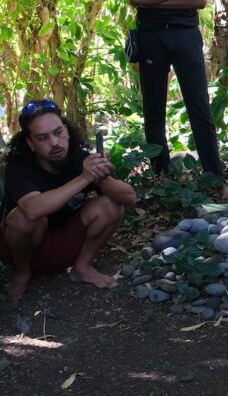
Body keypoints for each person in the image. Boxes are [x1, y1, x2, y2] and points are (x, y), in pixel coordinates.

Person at [119, 0, 228, 200]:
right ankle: (161, 178)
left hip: (185, 35)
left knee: (200, 109)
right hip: (150, 35)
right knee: (153, 110)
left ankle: (215, 178)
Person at [0, 100, 137, 302]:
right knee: (23, 219)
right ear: (30, 143)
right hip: (22, 249)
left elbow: (129, 198)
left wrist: (102, 177)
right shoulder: (19, 165)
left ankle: (82, 267)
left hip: (65, 246)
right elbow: (31, 210)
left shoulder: (78, 158)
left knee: (110, 204)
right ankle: (22, 273)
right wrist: (84, 178)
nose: (54, 143)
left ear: (66, 130)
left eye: (58, 132)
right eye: (42, 138)